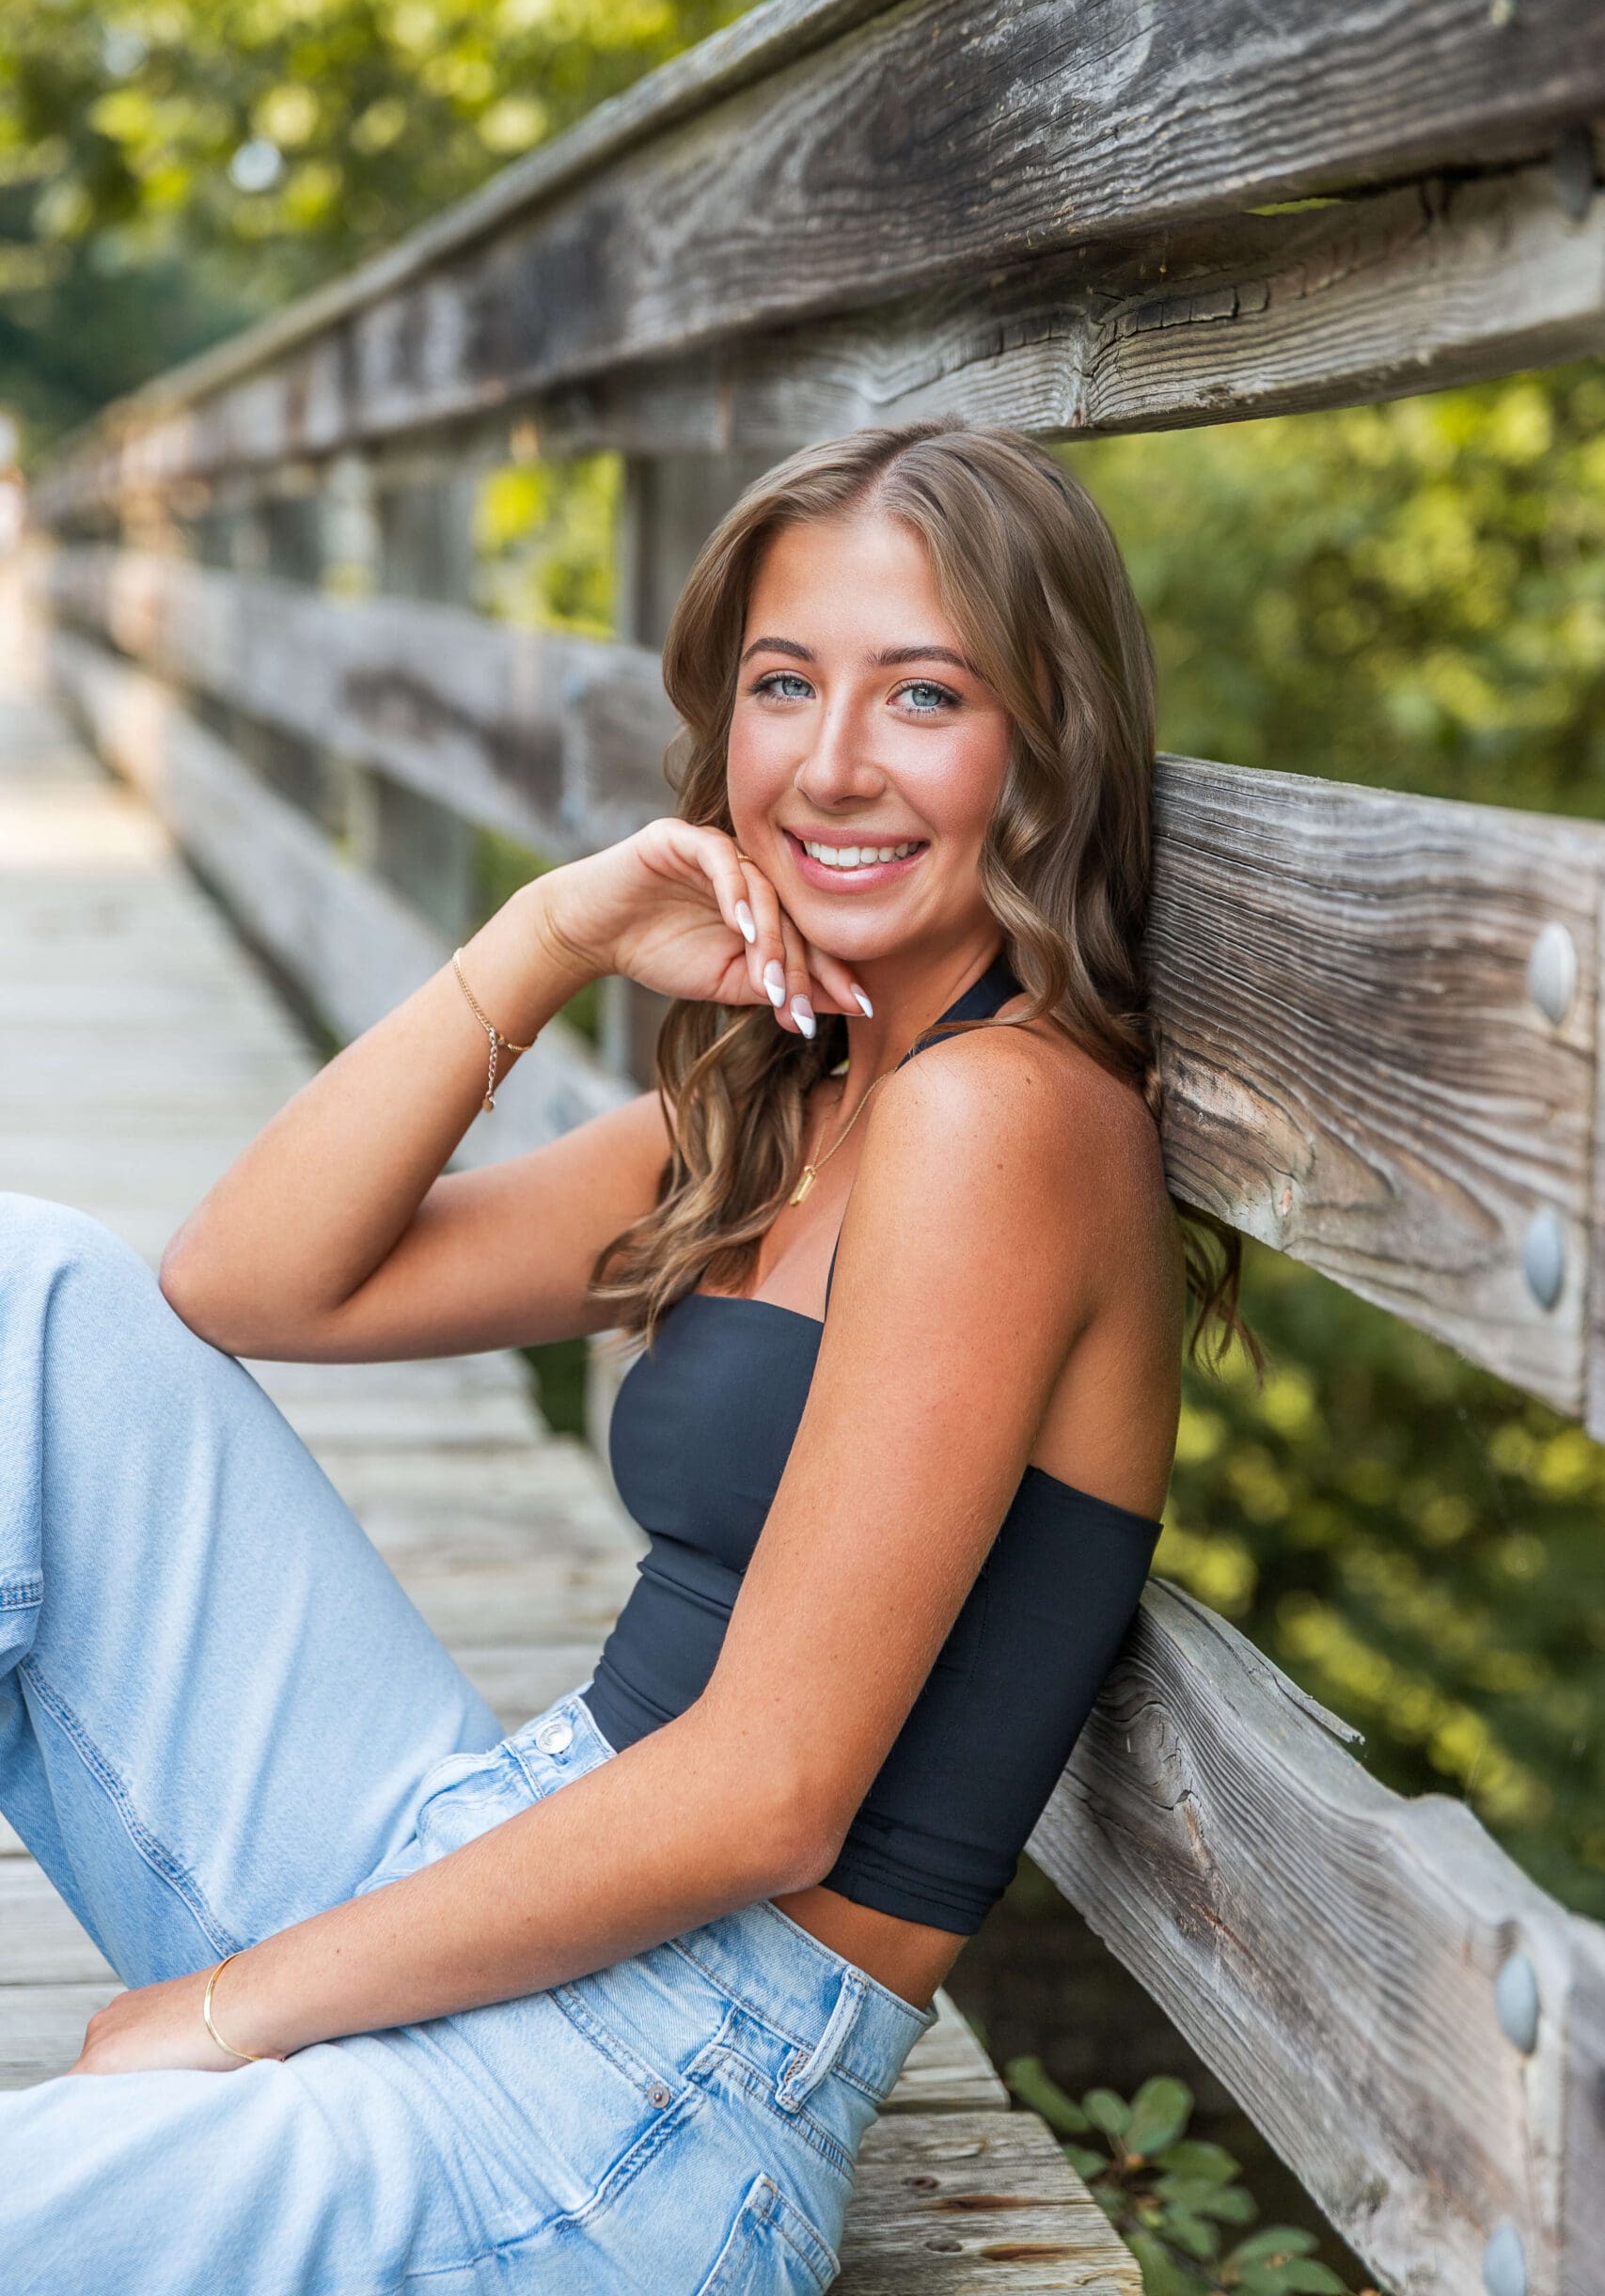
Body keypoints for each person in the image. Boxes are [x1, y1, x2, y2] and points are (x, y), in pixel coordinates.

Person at [0, 417, 1251, 2292]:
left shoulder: (1008, 1119)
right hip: (497, 1854)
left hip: (651, 2089)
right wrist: (551, 928)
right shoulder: (805, 1093)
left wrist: (222, 2015)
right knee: (35, 1298)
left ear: (1042, 742)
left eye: (921, 693)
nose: (830, 763)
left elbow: (768, 1789)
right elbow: (250, 1280)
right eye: (779, 685)